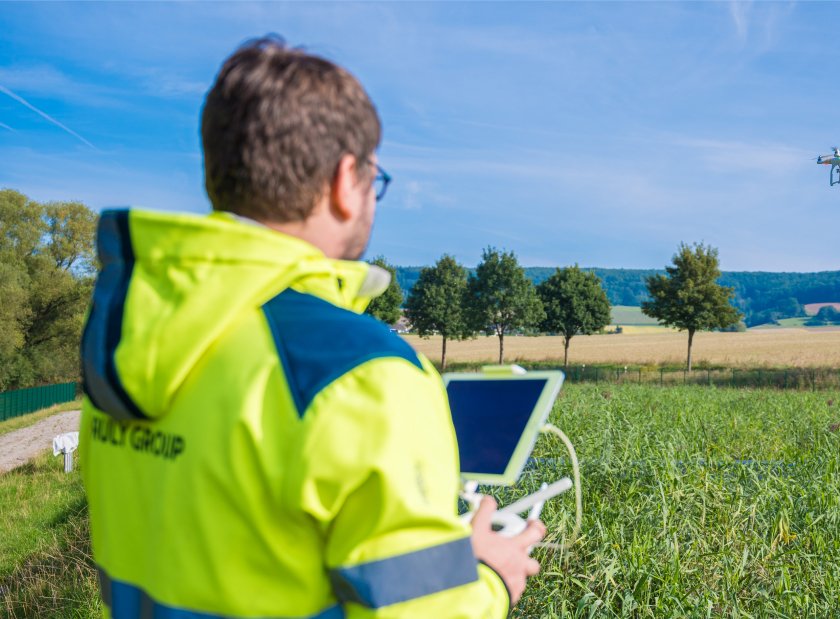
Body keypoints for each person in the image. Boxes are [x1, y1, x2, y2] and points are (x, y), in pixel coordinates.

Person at [80, 36, 545, 618]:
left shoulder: (127, 339)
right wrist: (491, 578)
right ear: (345, 182)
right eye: (375, 182)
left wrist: (442, 552)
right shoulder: (360, 372)